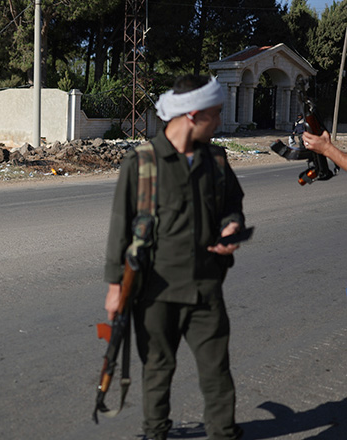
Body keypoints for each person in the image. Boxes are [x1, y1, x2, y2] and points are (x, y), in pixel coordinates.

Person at [103, 74, 246, 440]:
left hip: (205, 288)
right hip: (154, 292)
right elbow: (120, 227)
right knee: (156, 373)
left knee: (217, 376)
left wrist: (231, 228)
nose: (218, 122)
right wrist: (115, 287)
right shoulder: (141, 161)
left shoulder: (215, 159)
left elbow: (232, 205)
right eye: (215, 115)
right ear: (194, 115)